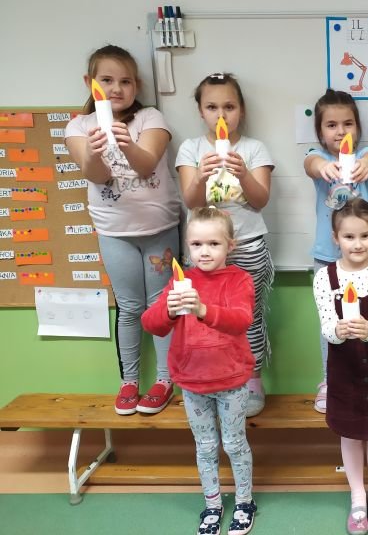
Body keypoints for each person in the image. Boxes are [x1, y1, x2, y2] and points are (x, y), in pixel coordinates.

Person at [65, 44, 181, 415]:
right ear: (90, 82)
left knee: (161, 306)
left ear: (137, 85)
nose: (116, 88)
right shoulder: (78, 127)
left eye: (125, 81)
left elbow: (146, 165)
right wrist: (95, 150)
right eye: (107, 80)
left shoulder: (150, 117)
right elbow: (96, 175)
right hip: (115, 232)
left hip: (160, 229)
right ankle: (129, 380)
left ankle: (165, 379)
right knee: (130, 307)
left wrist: (125, 143)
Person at [142, 207, 258, 535]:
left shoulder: (239, 280)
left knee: (234, 444)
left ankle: (245, 501)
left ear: (230, 246)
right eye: (196, 244)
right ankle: (212, 505)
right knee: (205, 446)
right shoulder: (180, 281)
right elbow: (151, 324)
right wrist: (168, 310)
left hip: (232, 380)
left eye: (213, 244)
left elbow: (242, 320)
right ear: (187, 246)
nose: (204, 251)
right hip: (192, 383)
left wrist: (203, 309)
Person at [176, 72, 275, 417]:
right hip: (204, 251)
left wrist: (243, 173)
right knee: (205, 316)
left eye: (229, 107)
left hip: (247, 245)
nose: (221, 115)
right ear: (200, 111)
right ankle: (216, 380)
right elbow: (191, 202)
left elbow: (260, 200)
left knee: (248, 317)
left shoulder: (254, 148)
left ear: (241, 110)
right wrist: (201, 176)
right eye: (212, 107)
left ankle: (252, 379)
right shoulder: (191, 149)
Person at [312, 198, 368, 535]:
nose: (358, 244)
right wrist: (338, 331)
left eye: (365, 236)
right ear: (335, 238)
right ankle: (357, 496)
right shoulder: (325, 277)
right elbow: (326, 327)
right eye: (349, 237)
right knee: (350, 434)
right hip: (345, 370)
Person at [305, 89, 368, 414]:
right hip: (328, 258)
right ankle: (330, 380)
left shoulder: (366, 155)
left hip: (367, 260)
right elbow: (310, 164)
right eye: (331, 125)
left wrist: (364, 163)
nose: (340, 132)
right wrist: (324, 166)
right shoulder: (318, 157)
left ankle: (367, 380)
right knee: (332, 326)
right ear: (320, 132)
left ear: (358, 127)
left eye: (348, 124)